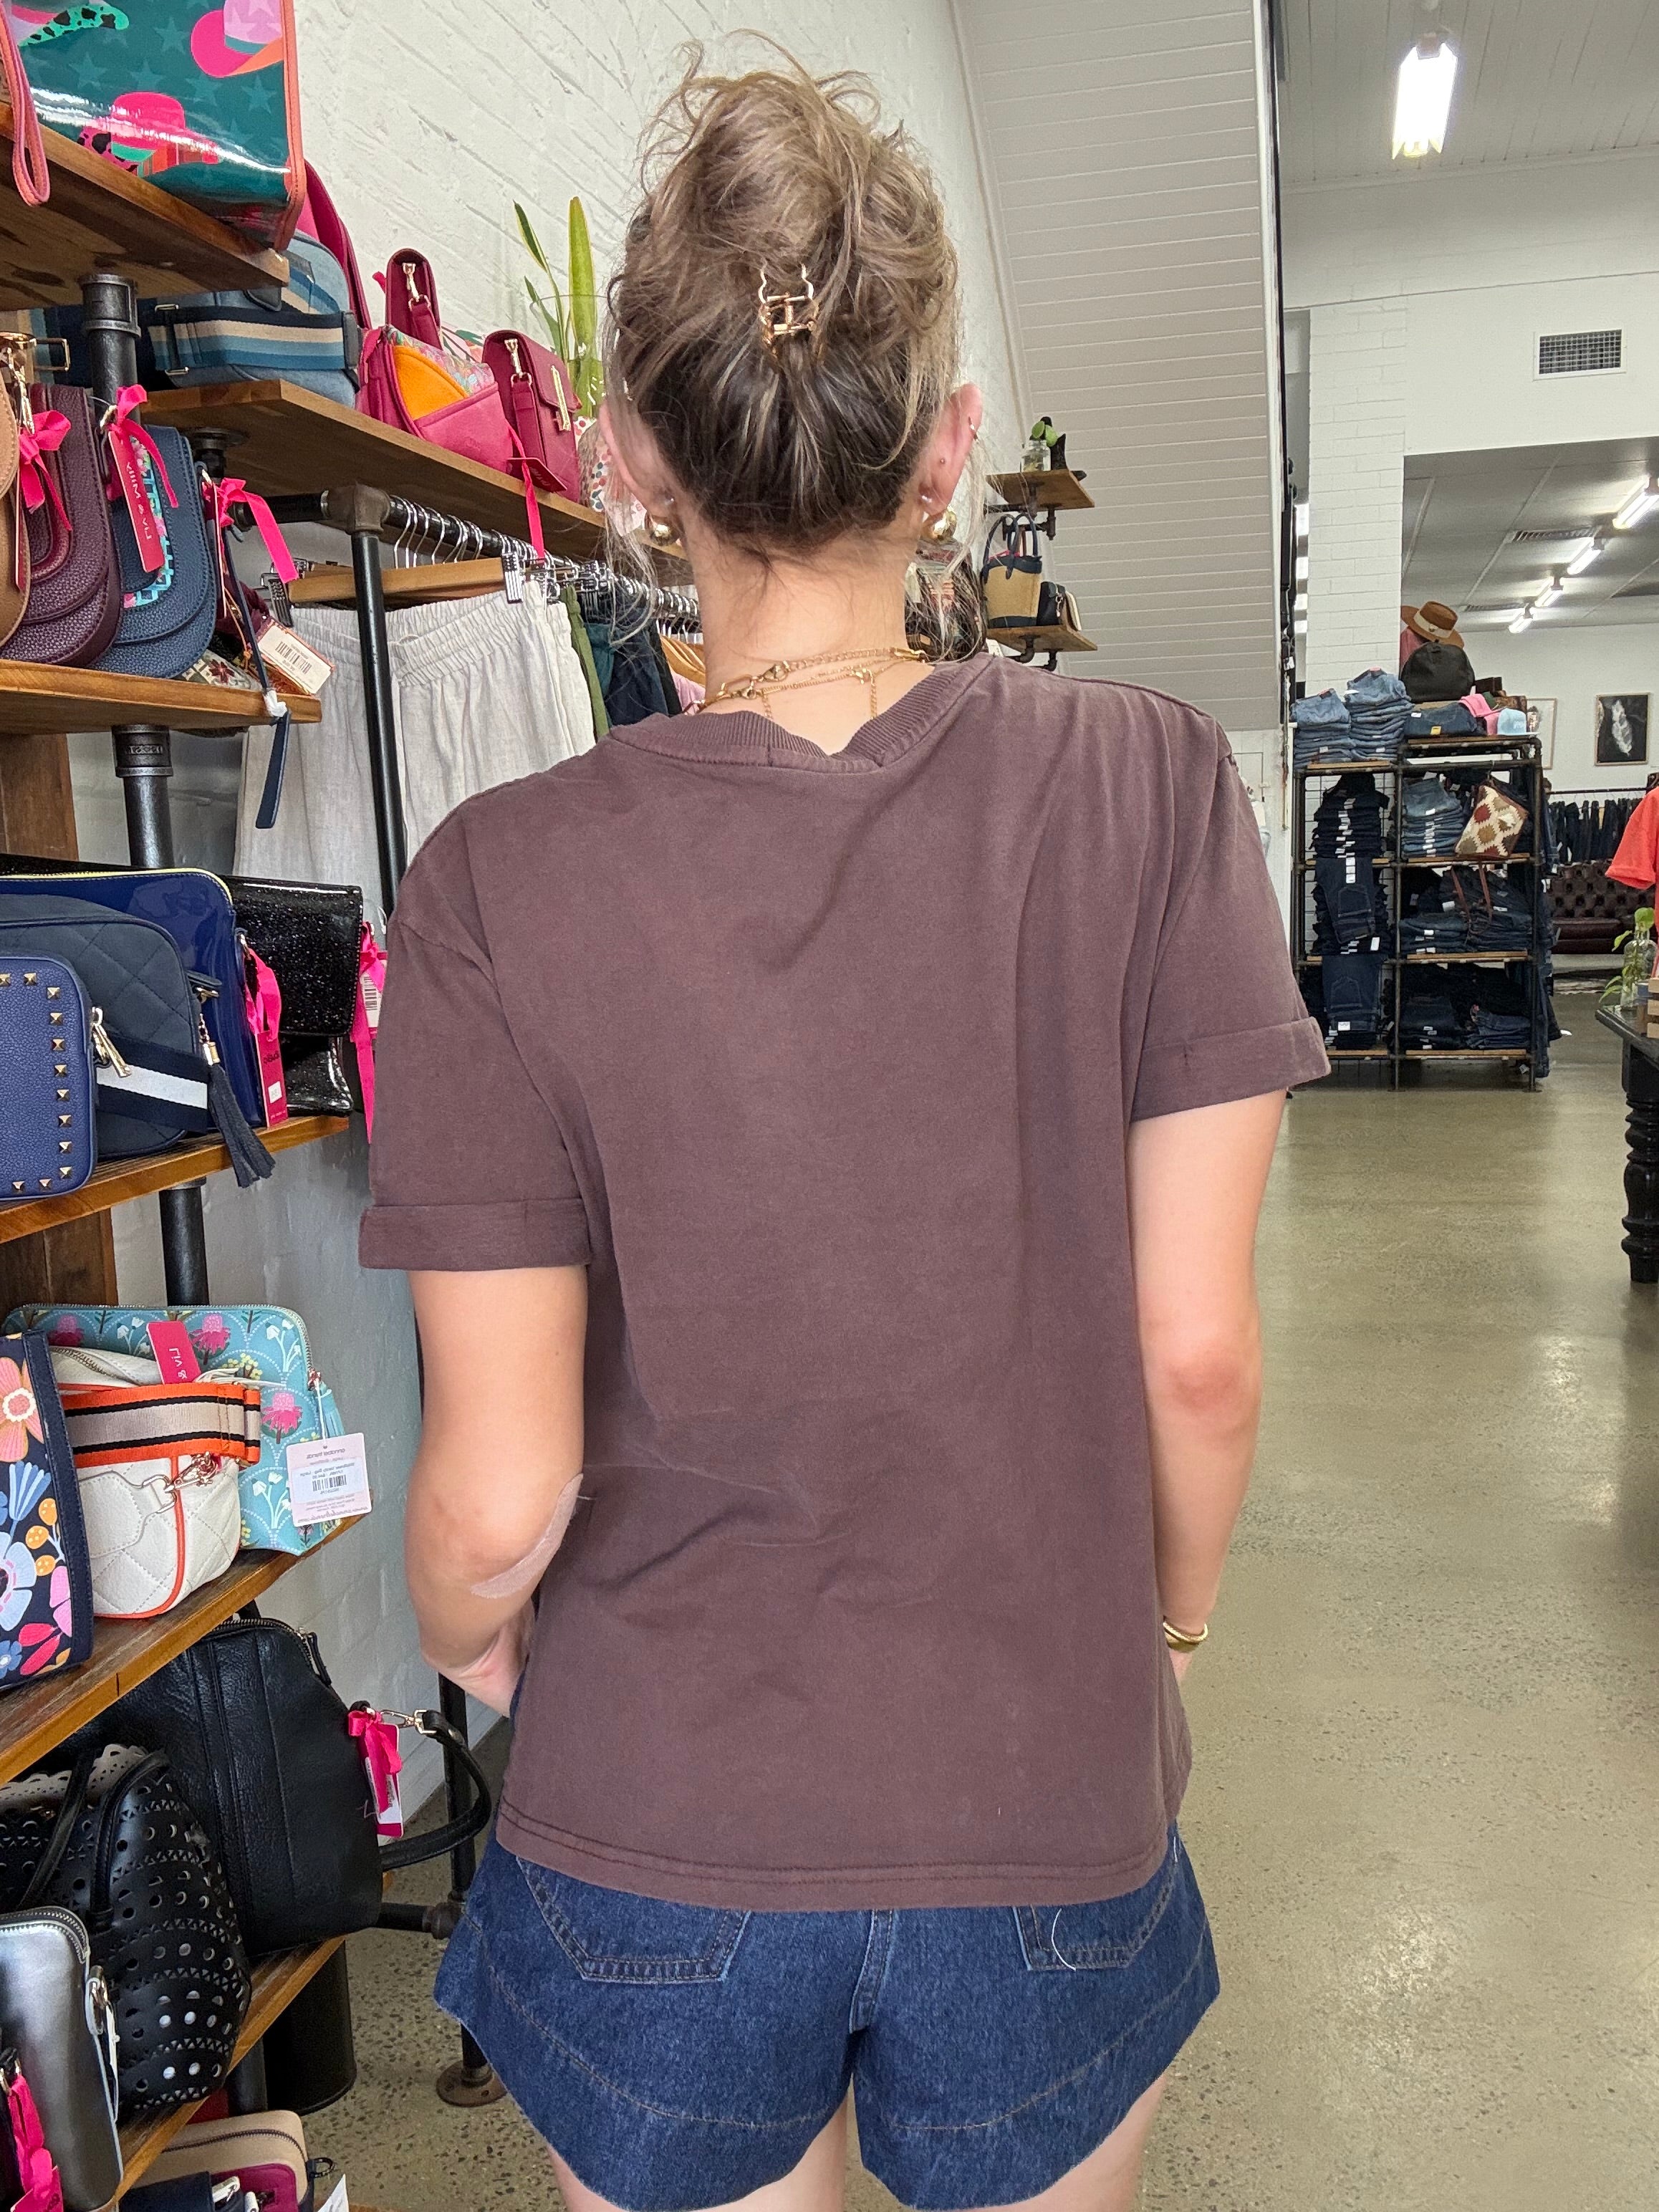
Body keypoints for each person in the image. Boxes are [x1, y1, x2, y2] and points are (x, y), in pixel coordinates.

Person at [361, 54, 1328, 2212]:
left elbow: (498, 1491)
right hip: (1045, 1792)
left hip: (657, 1820)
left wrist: (469, 1639)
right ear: (951, 450)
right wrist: (1164, 1632)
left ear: (633, 460)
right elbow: (1195, 1356)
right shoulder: (1156, 785)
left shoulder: (498, 881)